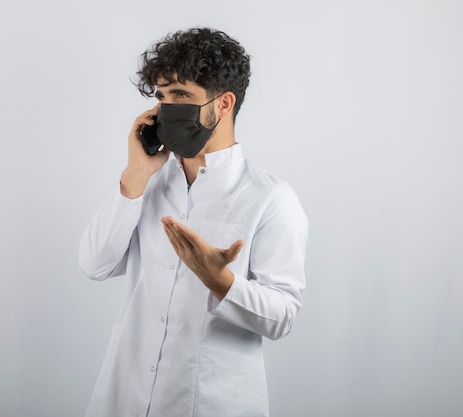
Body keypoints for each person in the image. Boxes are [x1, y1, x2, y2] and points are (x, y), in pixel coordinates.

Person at [79, 27, 308, 417]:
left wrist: (221, 281)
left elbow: (282, 316)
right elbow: (95, 264)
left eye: (182, 96)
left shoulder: (270, 198)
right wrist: (135, 175)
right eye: (162, 97)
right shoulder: (147, 181)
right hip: (126, 398)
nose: (168, 108)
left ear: (223, 104)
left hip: (213, 403)